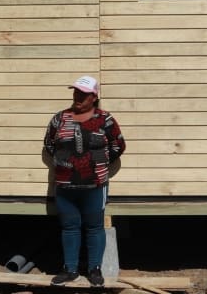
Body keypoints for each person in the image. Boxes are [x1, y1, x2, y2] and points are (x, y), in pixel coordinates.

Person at [43, 76, 126, 286]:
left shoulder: (105, 119)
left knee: (94, 227)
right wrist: (64, 164)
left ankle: (94, 270)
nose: (77, 97)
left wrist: (98, 165)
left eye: (83, 94)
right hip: (65, 185)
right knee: (69, 227)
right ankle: (70, 269)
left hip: (94, 186)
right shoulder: (59, 119)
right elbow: (49, 144)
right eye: (76, 92)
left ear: (94, 97)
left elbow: (118, 145)